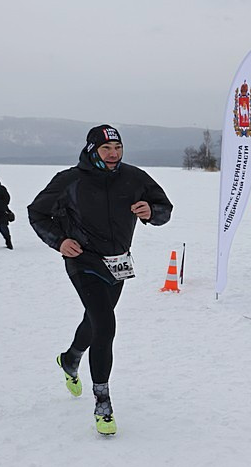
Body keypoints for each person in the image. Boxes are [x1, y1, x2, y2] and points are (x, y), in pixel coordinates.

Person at [28, 125, 173, 436]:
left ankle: (70, 359)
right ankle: (102, 403)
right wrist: (59, 241)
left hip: (116, 263)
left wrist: (151, 212)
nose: (113, 154)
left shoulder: (134, 178)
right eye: (106, 149)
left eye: (118, 148)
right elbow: (37, 213)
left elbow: (164, 209)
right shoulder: (71, 180)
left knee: (94, 321)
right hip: (83, 260)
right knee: (105, 324)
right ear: (93, 150)